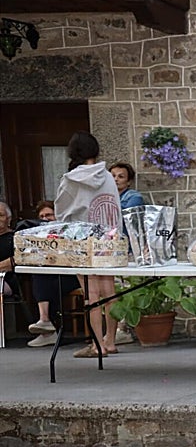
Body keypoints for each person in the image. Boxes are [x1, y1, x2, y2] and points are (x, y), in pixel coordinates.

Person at [55, 131, 121, 358]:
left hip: (82, 238)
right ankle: (110, 340)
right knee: (109, 292)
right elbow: (115, 206)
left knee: (91, 294)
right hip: (109, 236)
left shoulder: (71, 180)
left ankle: (97, 345)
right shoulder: (108, 176)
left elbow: (61, 212)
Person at [22, 201, 80, 347]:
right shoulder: (40, 236)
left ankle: (47, 328)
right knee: (39, 274)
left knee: (45, 282)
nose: (45, 219)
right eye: (41, 216)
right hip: (54, 274)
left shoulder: (70, 230)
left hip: (74, 274)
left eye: (49, 215)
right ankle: (45, 322)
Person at [107, 163, 143, 346]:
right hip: (109, 249)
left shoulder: (133, 197)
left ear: (128, 181)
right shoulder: (106, 197)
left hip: (128, 248)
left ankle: (123, 329)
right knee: (112, 289)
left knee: (125, 287)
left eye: (120, 176)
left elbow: (118, 216)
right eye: (112, 175)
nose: (115, 179)